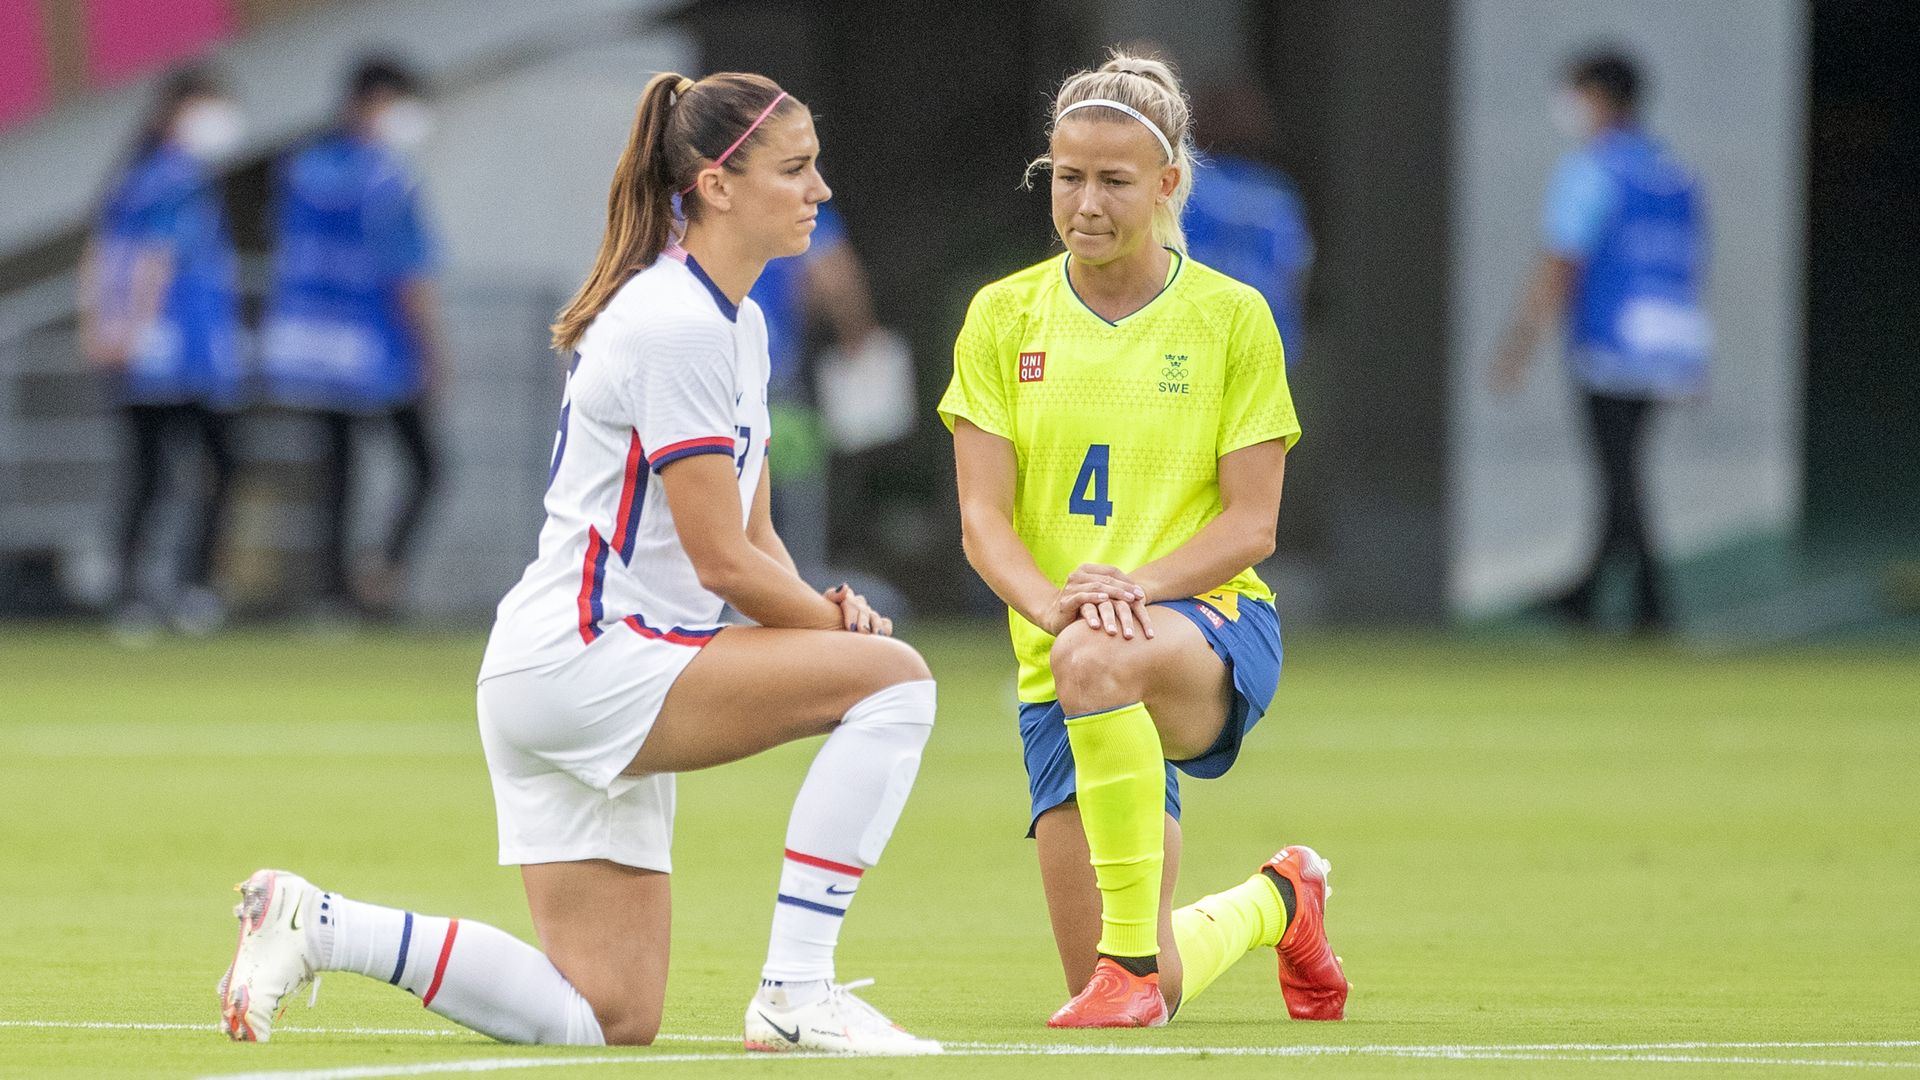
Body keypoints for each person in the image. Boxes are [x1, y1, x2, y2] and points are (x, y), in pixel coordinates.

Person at [218, 70, 942, 1056]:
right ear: (717, 185)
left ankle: (322, 924)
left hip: (569, 667)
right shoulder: (676, 319)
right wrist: (840, 632)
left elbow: (756, 538)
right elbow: (723, 562)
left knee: (609, 1018)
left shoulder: (740, 320)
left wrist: (823, 607)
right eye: (798, 168)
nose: (819, 191)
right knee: (895, 686)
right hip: (593, 660)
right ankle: (797, 990)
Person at [939, 52, 1348, 1029]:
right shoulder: (1002, 318)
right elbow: (982, 519)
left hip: (1203, 628)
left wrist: (1132, 589)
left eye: (1114, 181)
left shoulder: (1231, 319)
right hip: (1066, 663)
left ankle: (1126, 967)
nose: (1085, 203)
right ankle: (1281, 901)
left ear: (1168, 186)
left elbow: (1253, 524)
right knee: (1149, 989)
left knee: (1098, 656)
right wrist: (1055, 605)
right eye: (1067, 177)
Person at [1491, 49, 1709, 634]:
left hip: (1610, 342)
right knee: (1623, 469)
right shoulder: (1672, 172)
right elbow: (1687, 265)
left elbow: (1563, 262)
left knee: (1619, 472)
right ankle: (1588, 594)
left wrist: (1519, 344)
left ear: (1599, 97)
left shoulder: (1591, 171)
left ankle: (1651, 605)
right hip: (1666, 343)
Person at [259, 56, 447, 618]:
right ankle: (378, 574)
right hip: (380, 343)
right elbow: (408, 274)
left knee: (336, 472)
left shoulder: (303, 171)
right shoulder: (389, 177)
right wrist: (432, 349)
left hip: (314, 342)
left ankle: (333, 592)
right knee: (427, 466)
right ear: (368, 104)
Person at [77, 66, 245, 639]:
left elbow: (100, 254)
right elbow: (154, 259)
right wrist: (128, 329)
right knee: (209, 466)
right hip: (176, 351)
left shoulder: (135, 176)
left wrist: (99, 325)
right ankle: (184, 589)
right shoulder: (179, 178)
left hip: (154, 348)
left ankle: (136, 594)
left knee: (150, 475)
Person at [1184, 81, 1312, 367]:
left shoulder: (1189, 188)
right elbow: (1297, 273)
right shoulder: (1280, 195)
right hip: (1269, 348)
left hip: (1199, 350)